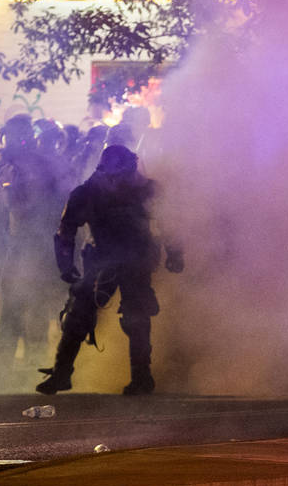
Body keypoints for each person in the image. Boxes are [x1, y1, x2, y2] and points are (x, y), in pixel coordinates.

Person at [37, 144, 183, 396]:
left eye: (123, 175)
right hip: (101, 258)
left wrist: (175, 253)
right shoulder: (87, 192)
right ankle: (62, 373)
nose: (118, 182)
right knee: (78, 313)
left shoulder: (147, 190)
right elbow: (65, 230)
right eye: (113, 176)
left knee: (136, 317)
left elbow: (169, 222)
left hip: (136, 259)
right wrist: (66, 266)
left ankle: (142, 376)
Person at [0, 114, 66, 373]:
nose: (5, 142)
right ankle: (3, 366)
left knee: (33, 304)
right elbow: (0, 213)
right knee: (9, 304)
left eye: (10, 136)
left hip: (36, 247)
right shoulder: (9, 167)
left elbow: (32, 208)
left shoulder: (39, 167)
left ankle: (35, 362)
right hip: (17, 245)